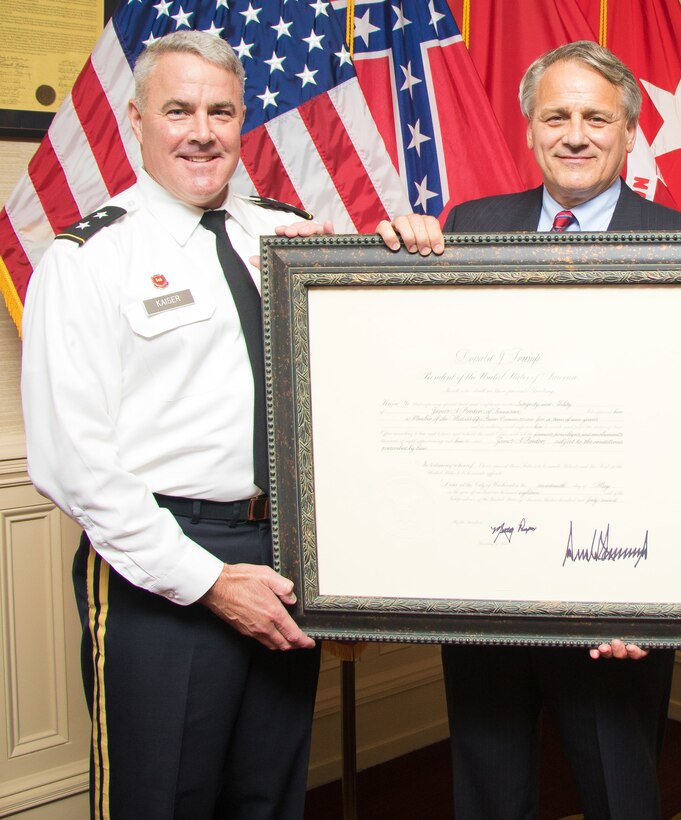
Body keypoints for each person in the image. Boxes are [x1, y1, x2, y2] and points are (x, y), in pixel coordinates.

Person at [20, 31, 442, 820]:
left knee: (270, 794)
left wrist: (401, 258)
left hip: (280, 555)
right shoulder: (87, 260)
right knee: (162, 799)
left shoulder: (285, 234)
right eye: (178, 110)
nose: (201, 131)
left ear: (244, 119)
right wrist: (209, 582)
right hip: (159, 566)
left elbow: (362, 377)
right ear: (136, 119)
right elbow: (72, 463)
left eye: (221, 111)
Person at [438, 41, 681, 820]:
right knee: (487, 790)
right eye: (556, 116)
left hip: (614, 588)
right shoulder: (468, 227)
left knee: (619, 792)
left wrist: (653, 595)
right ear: (529, 129)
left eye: (595, 117)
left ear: (627, 132)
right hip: (486, 581)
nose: (574, 134)